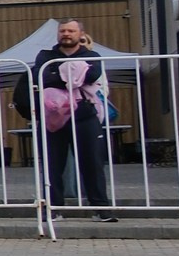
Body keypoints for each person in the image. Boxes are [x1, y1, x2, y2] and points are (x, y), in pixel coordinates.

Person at [15, 19, 118, 220]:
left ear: (80, 34)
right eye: (62, 30)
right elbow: (40, 77)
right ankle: (53, 209)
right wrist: (71, 76)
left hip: (84, 117)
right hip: (53, 118)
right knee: (52, 165)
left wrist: (56, 75)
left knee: (93, 163)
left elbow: (92, 75)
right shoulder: (45, 56)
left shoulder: (92, 55)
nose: (66, 34)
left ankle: (100, 209)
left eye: (71, 30)